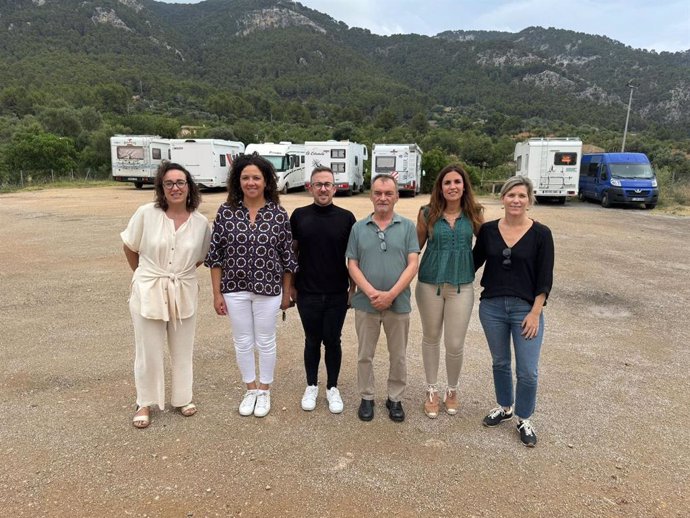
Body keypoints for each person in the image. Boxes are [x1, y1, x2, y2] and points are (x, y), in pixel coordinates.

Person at [205, 153, 298, 418]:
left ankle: (265, 390)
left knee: (266, 341)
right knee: (243, 341)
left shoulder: (278, 214)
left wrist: (285, 291)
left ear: (266, 181)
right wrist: (216, 293)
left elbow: (287, 257)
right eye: (245, 177)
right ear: (238, 181)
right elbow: (215, 256)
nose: (251, 182)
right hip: (234, 289)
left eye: (256, 177)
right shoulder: (226, 212)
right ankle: (250, 389)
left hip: (269, 289)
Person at [121, 162, 211, 429]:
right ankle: (145, 402)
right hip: (149, 287)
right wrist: (145, 275)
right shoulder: (146, 214)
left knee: (183, 347)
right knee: (148, 349)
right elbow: (130, 247)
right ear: (161, 187)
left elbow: (199, 258)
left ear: (189, 186)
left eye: (180, 182)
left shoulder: (200, 222)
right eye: (169, 183)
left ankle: (183, 397)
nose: (175, 188)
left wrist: (177, 274)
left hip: (183, 287)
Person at [472, 176, 554, 447]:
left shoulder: (542, 234)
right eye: (511, 195)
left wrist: (535, 312)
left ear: (529, 201)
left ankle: (524, 417)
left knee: (528, 370)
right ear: (503, 199)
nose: (516, 200)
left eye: (521, 196)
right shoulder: (488, 231)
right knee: (500, 362)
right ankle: (505, 407)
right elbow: (471, 263)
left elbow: (544, 278)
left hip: (526, 309)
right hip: (492, 307)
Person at [346, 174, 420, 422]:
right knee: (365, 354)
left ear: (397, 196)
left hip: (398, 304)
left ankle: (395, 398)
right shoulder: (358, 228)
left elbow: (412, 264)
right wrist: (371, 293)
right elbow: (352, 264)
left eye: (388, 193)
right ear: (371, 195)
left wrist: (390, 295)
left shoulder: (408, 227)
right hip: (366, 304)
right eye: (378, 193)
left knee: (397, 354)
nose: (383, 198)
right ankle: (366, 397)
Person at [415, 165, 484, 419]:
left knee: (455, 343)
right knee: (431, 338)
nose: (452, 186)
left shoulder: (474, 214)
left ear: (464, 185)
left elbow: (487, 245)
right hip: (429, 286)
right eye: (447, 182)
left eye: (457, 181)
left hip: (461, 286)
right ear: (440, 187)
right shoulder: (427, 214)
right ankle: (432, 389)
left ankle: (452, 390)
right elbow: (415, 249)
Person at [290, 167, 356, 414]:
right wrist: (291, 287)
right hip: (307, 291)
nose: (323, 189)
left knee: (333, 341)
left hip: (337, 292)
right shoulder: (299, 216)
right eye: (318, 184)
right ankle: (311, 385)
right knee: (311, 340)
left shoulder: (347, 218)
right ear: (310, 187)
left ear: (335, 187)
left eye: (328, 184)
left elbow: (353, 257)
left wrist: (353, 288)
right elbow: (292, 253)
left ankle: (332, 387)